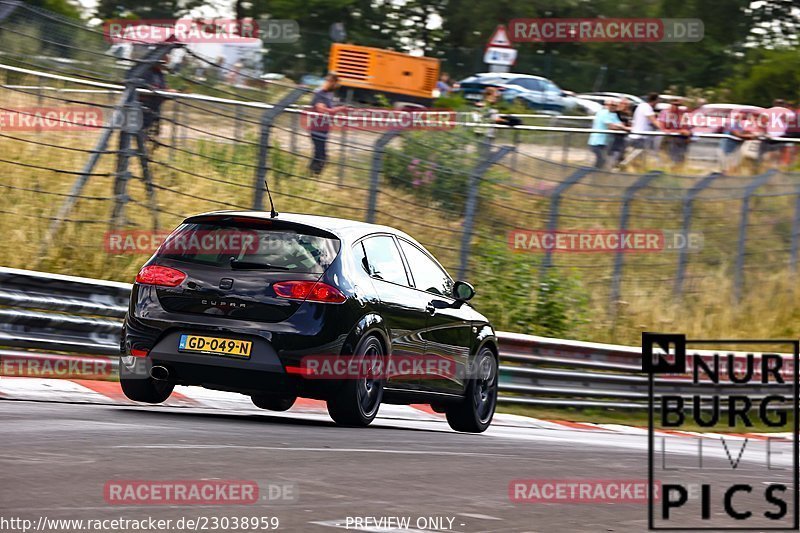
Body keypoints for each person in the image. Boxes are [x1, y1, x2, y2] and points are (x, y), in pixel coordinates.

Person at [308, 72, 347, 175]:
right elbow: (322, 110)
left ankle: (310, 175)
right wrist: (339, 109)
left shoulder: (329, 94)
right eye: (334, 82)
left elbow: (330, 109)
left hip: (324, 129)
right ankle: (313, 175)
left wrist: (337, 109)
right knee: (321, 156)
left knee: (319, 154)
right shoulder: (320, 93)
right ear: (331, 82)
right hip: (317, 128)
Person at [587, 98, 629, 168]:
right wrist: (626, 128)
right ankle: (593, 175)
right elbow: (611, 126)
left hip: (605, 143)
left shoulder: (613, 114)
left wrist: (625, 127)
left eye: (615, 105)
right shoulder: (603, 113)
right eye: (611, 105)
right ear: (606, 105)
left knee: (604, 162)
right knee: (601, 160)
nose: (613, 107)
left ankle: (597, 175)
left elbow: (619, 124)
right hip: (596, 142)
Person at [625, 92, 662, 168]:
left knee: (635, 158)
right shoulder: (647, 107)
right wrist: (665, 129)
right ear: (656, 100)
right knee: (638, 160)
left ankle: (628, 169)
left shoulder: (641, 106)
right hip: (640, 137)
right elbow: (654, 121)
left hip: (635, 135)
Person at [658, 99, 691, 167]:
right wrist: (679, 131)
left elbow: (685, 127)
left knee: (680, 160)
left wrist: (687, 134)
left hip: (680, 140)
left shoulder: (681, 113)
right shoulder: (665, 113)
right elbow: (663, 129)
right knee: (668, 160)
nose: (676, 107)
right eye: (675, 104)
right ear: (671, 104)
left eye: (678, 105)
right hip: (669, 140)